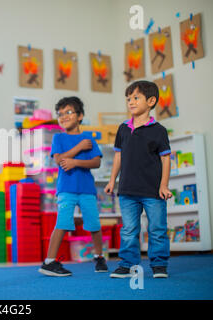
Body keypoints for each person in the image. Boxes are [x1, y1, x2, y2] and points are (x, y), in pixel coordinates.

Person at [105, 80, 172, 279]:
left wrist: (164, 185)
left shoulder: (158, 130)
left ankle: (159, 265)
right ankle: (128, 264)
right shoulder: (123, 128)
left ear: (151, 101)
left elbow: (165, 158)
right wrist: (111, 181)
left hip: (153, 191)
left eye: (136, 98)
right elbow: (118, 156)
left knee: (157, 228)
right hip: (127, 190)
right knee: (129, 230)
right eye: (128, 99)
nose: (131, 102)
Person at [39, 96, 108, 277]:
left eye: (68, 112)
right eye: (60, 114)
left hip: (87, 190)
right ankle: (49, 261)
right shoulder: (58, 138)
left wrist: (75, 162)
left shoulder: (88, 138)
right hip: (66, 190)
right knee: (62, 223)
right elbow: (59, 160)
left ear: (80, 116)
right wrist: (78, 148)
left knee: (94, 224)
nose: (64, 116)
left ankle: (99, 256)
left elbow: (96, 163)